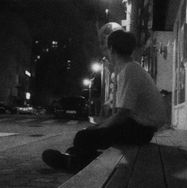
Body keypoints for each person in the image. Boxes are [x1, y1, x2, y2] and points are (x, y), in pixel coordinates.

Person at [42, 30, 167, 173]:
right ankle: (77, 156)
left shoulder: (130, 70)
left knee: (83, 137)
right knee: (88, 137)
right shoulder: (133, 68)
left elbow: (123, 114)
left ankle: (76, 163)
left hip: (140, 130)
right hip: (142, 128)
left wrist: (98, 127)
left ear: (112, 49)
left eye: (107, 49)